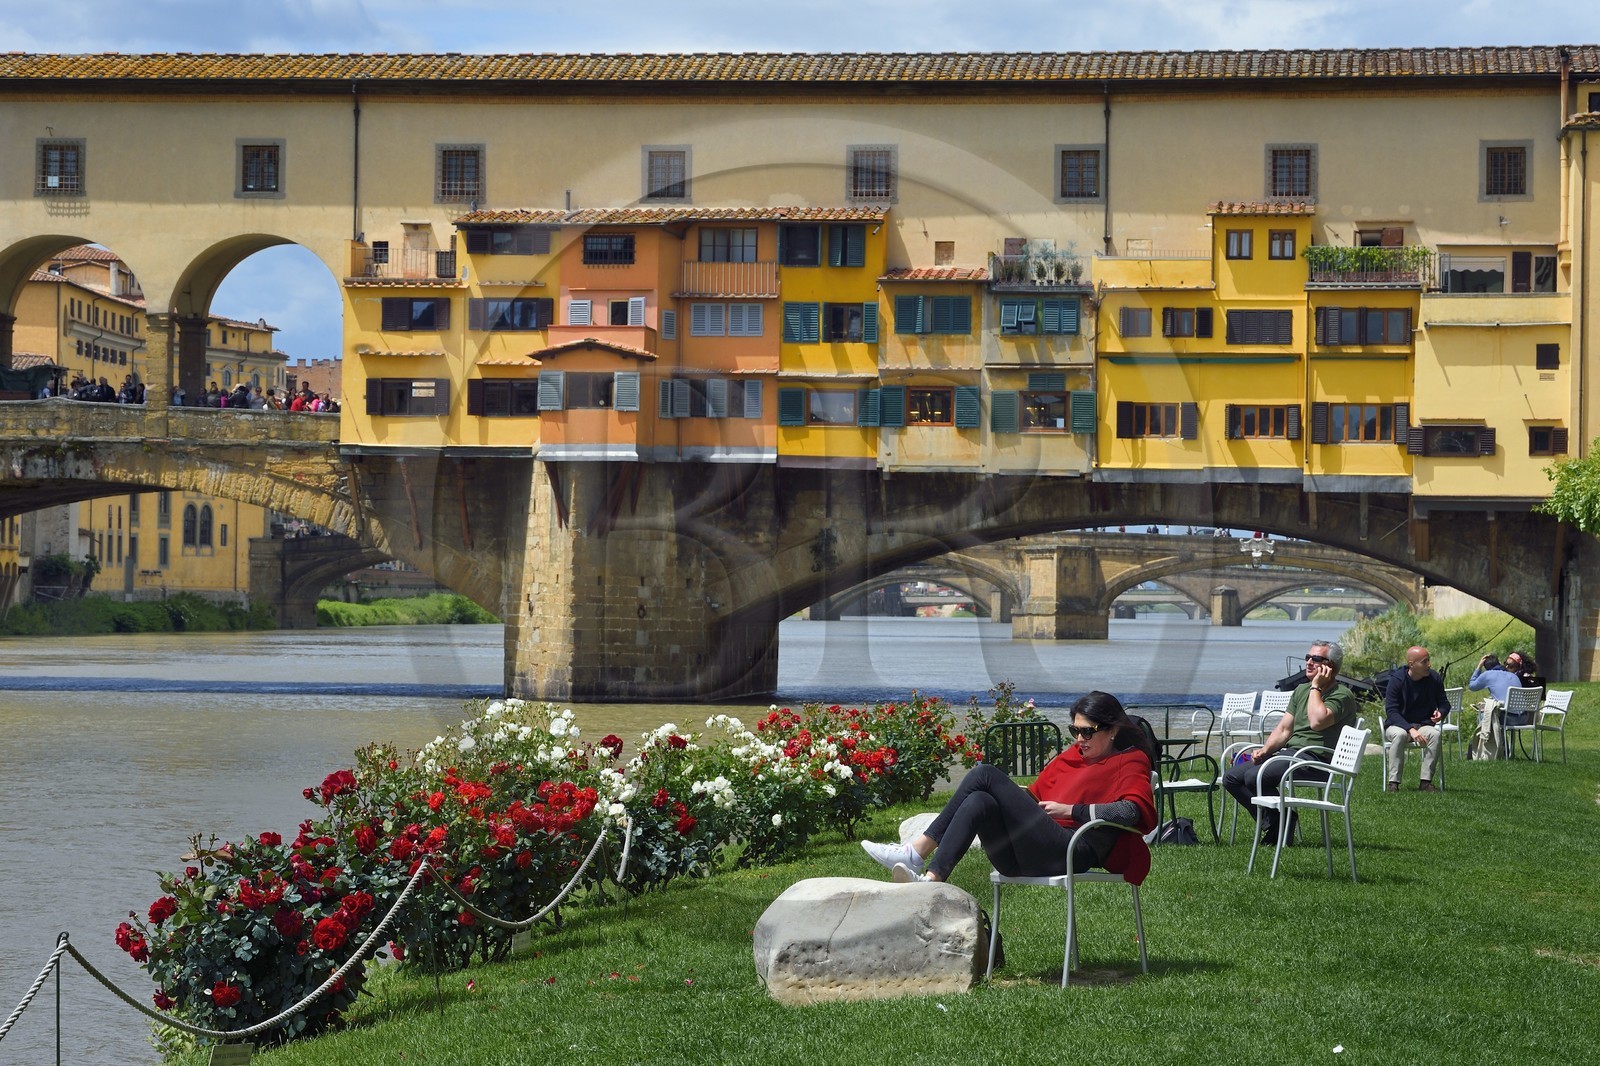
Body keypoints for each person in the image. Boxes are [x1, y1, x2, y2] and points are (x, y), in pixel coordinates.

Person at [858, 691, 1157, 884]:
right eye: (1075, 730)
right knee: (980, 801)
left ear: (1113, 729)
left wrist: (1072, 810)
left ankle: (915, 851)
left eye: (1088, 731)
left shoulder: (1130, 761)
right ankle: (932, 880)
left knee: (984, 773)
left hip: (1072, 850)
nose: (1080, 739)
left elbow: (1131, 811)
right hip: (1025, 855)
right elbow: (1036, 796)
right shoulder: (1072, 757)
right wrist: (1015, 797)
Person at [1222, 639, 1359, 845]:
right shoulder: (1301, 690)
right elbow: (1284, 729)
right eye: (1308, 657)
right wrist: (1266, 751)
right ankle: (1280, 821)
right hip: (1292, 755)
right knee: (1232, 778)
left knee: (1253, 776)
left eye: (1316, 659)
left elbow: (1317, 721)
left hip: (1317, 760)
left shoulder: (1342, 695)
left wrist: (1316, 688)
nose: (1309, 662)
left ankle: (1281, 829)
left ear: (1330, 666)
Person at [1382, 646, 1449, 792]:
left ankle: (1425, 782)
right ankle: (1393, 783)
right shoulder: (1397, 680)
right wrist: (1410, 729)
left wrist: (1441, 713)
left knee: (1435, 735)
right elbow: (1392, 711)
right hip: (1397, 725)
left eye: (1429, 660)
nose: (1429, 665)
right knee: (1399, 735)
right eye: (1425, 662)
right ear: (1411, 664)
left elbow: (1444, 703)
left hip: (1422, 724)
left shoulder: (1434, 678)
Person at [1467, 654, 1522, 759]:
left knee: (1485, 715)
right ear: (1499, 663)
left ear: (1486, 667)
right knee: (1491, 714)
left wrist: (1478, 667)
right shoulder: (1514, 676)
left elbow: (1472, 686)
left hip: (1507, 718)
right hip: (1523, 717)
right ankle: (1503, 750)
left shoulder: (1488, 674)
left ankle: (1482, 750)